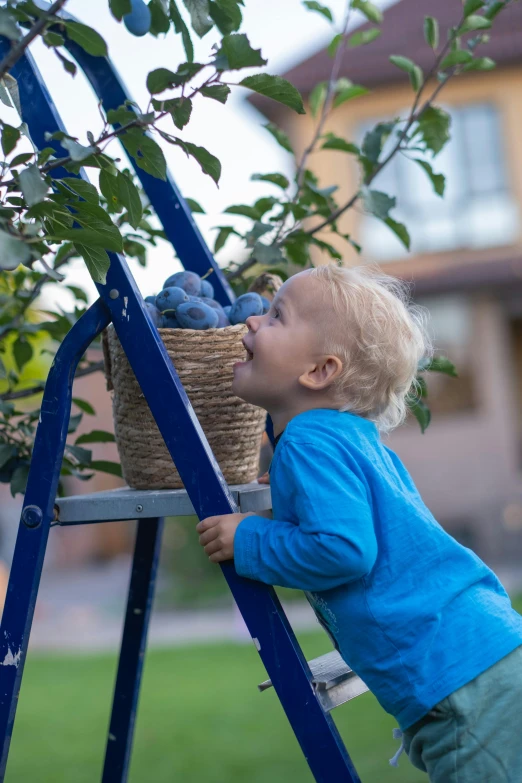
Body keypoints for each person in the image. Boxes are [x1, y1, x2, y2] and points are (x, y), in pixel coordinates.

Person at [196, 264, 522, 781]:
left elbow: (344, 550)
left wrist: (251, 538)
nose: (253, 321)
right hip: (480, 650)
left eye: (277, 315)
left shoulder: (307, 442)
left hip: (457, 677)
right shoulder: (346, 436)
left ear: (320, 371)